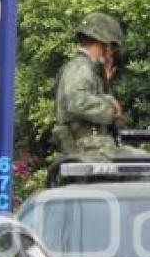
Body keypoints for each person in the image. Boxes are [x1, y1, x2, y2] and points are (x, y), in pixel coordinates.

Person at [52, 12, 126, 161]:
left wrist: (105, 82)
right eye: (112, 47)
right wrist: (110, 106)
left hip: (97, 148)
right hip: (89, 149)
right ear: (105, 44)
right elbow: (78, 102)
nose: (112, 53)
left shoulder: (89, 68)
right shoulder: (80, 67)